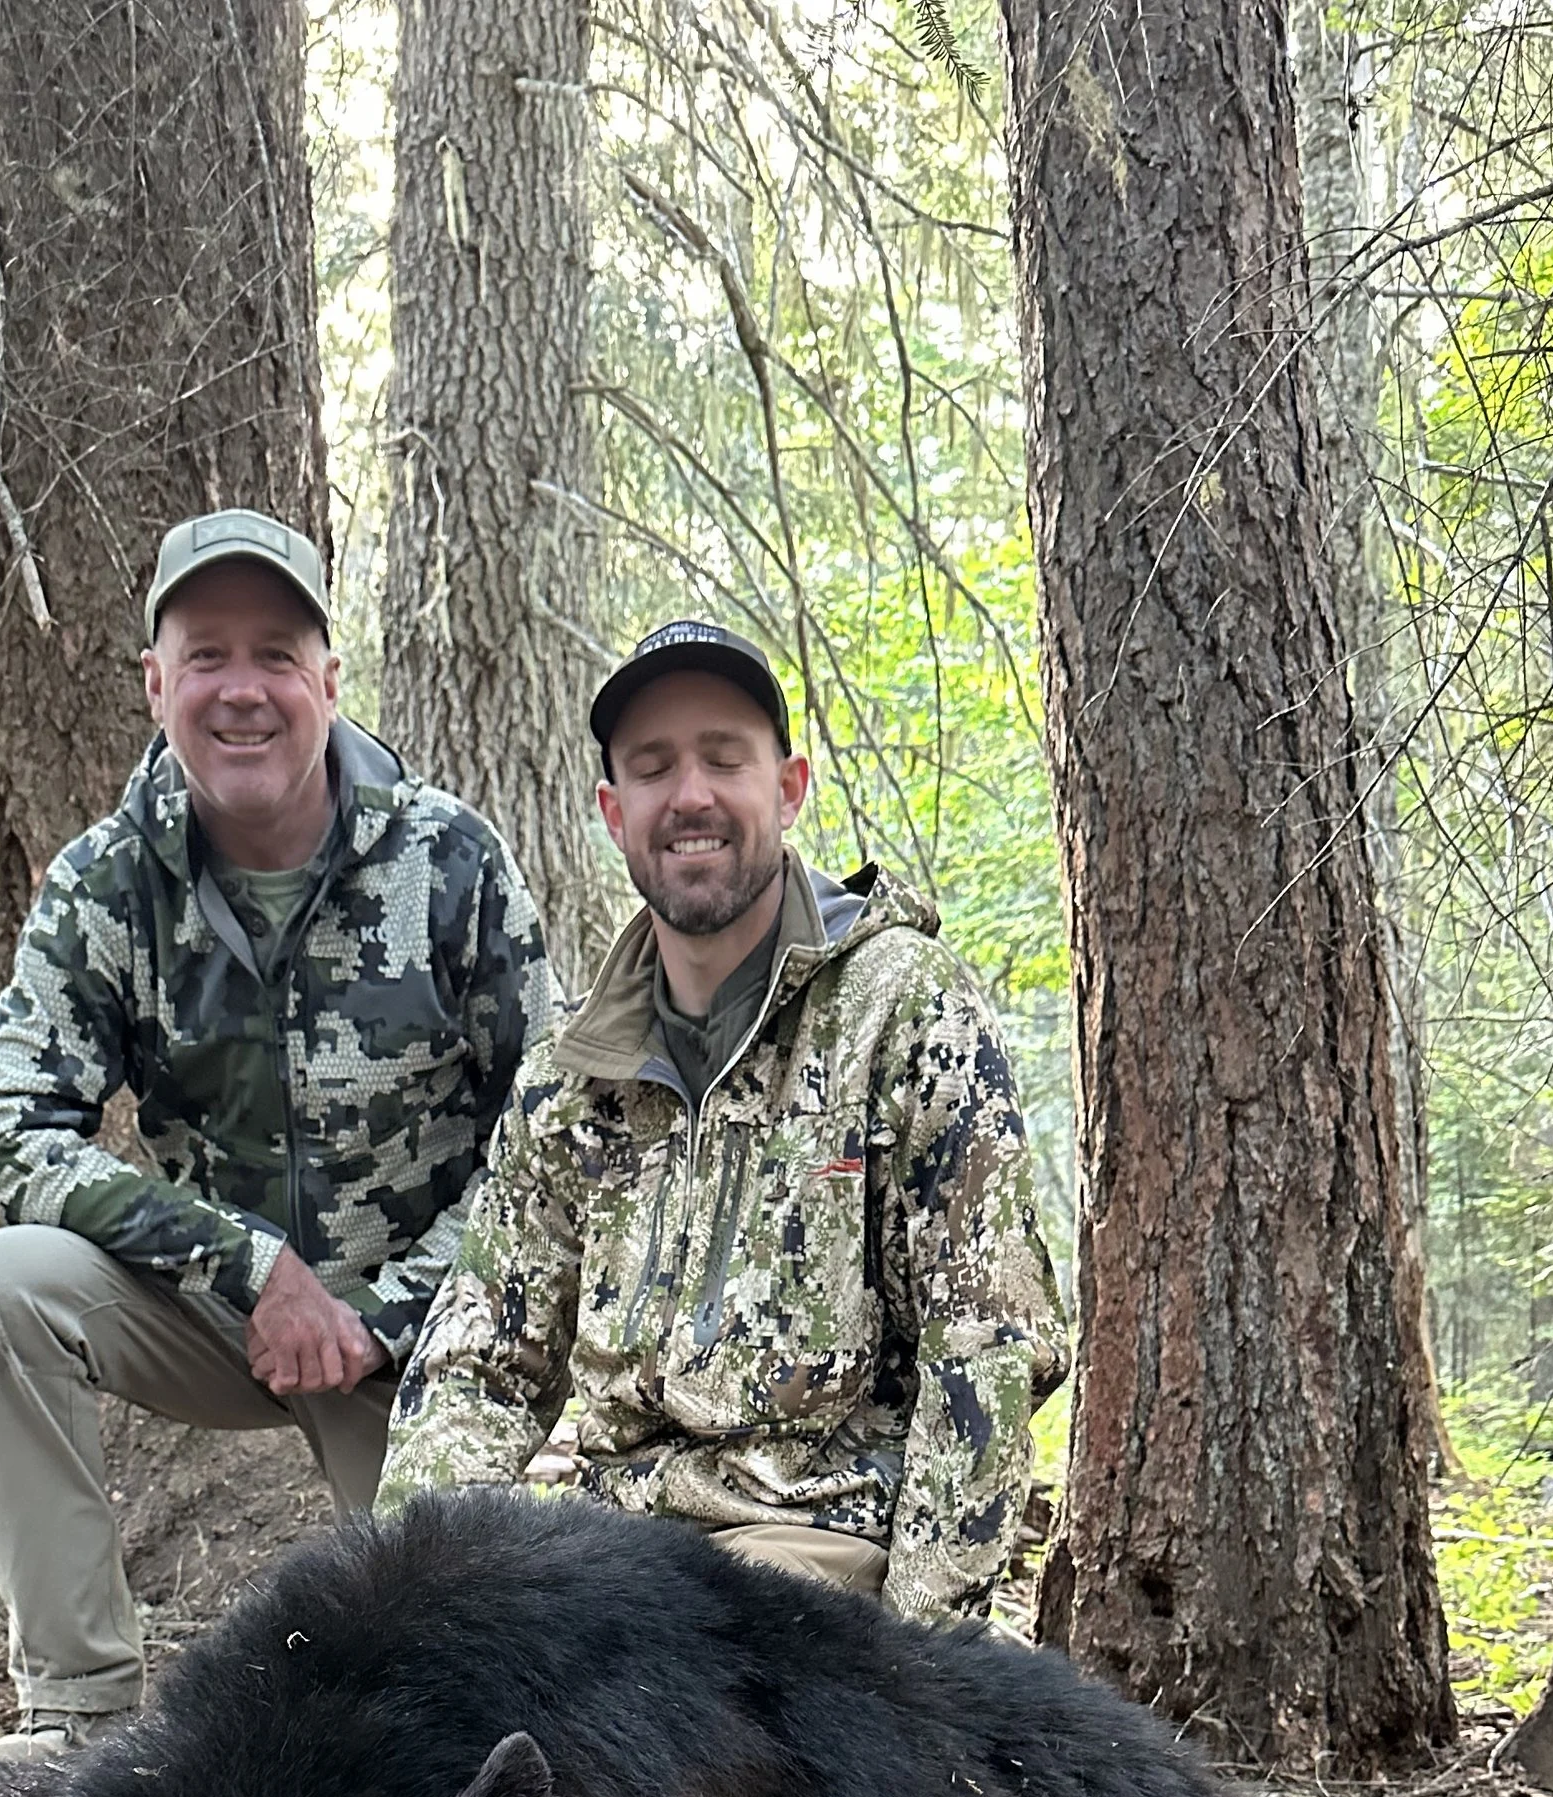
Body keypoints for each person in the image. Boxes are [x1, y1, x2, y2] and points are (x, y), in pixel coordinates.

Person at [0, 508, 554, 1777]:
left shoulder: (449, 861)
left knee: (438, 1703)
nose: (243, 691)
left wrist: (381, 1313)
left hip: (428, 1330)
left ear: (329, 681)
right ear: (155, 683)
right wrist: (245, 1267)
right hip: (226, 1314)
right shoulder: (108, 884)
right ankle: (78, 1717)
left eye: (276, 654)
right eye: (206, 655)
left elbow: (552, 1142)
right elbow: (6, 1131)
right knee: (0, 1290)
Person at [377, 618, 1067, 1624]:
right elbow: (476, 1364)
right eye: (653, 768)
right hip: (612, 1565)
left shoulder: (901, 1010)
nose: (688, 796)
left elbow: (986, 1351)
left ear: (786, 789)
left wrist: (928, 1665)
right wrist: (412, 1606)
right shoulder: (567, 1077)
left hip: (819, 1565)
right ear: (615, 813)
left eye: (721, 759)